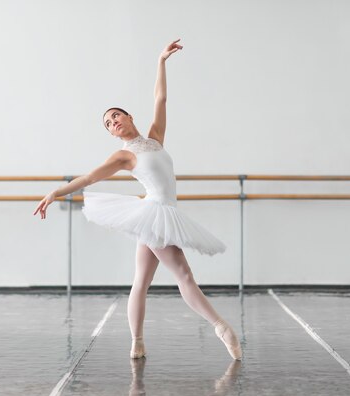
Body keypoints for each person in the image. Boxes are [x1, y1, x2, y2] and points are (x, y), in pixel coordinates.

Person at [34, 39, 242, 361]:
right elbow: (88, 178)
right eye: (108, 124)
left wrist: (161, 60)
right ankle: (221, 327)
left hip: (157, 212)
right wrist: (54, 192)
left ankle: (137, 342)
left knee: (140, 282)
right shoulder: (123, 156)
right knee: (183, 276)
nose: (113, 122)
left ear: (129, 116)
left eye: (116, 116)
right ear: (112, 133)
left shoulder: (155, 138)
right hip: (156, 215)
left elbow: (161, 98)